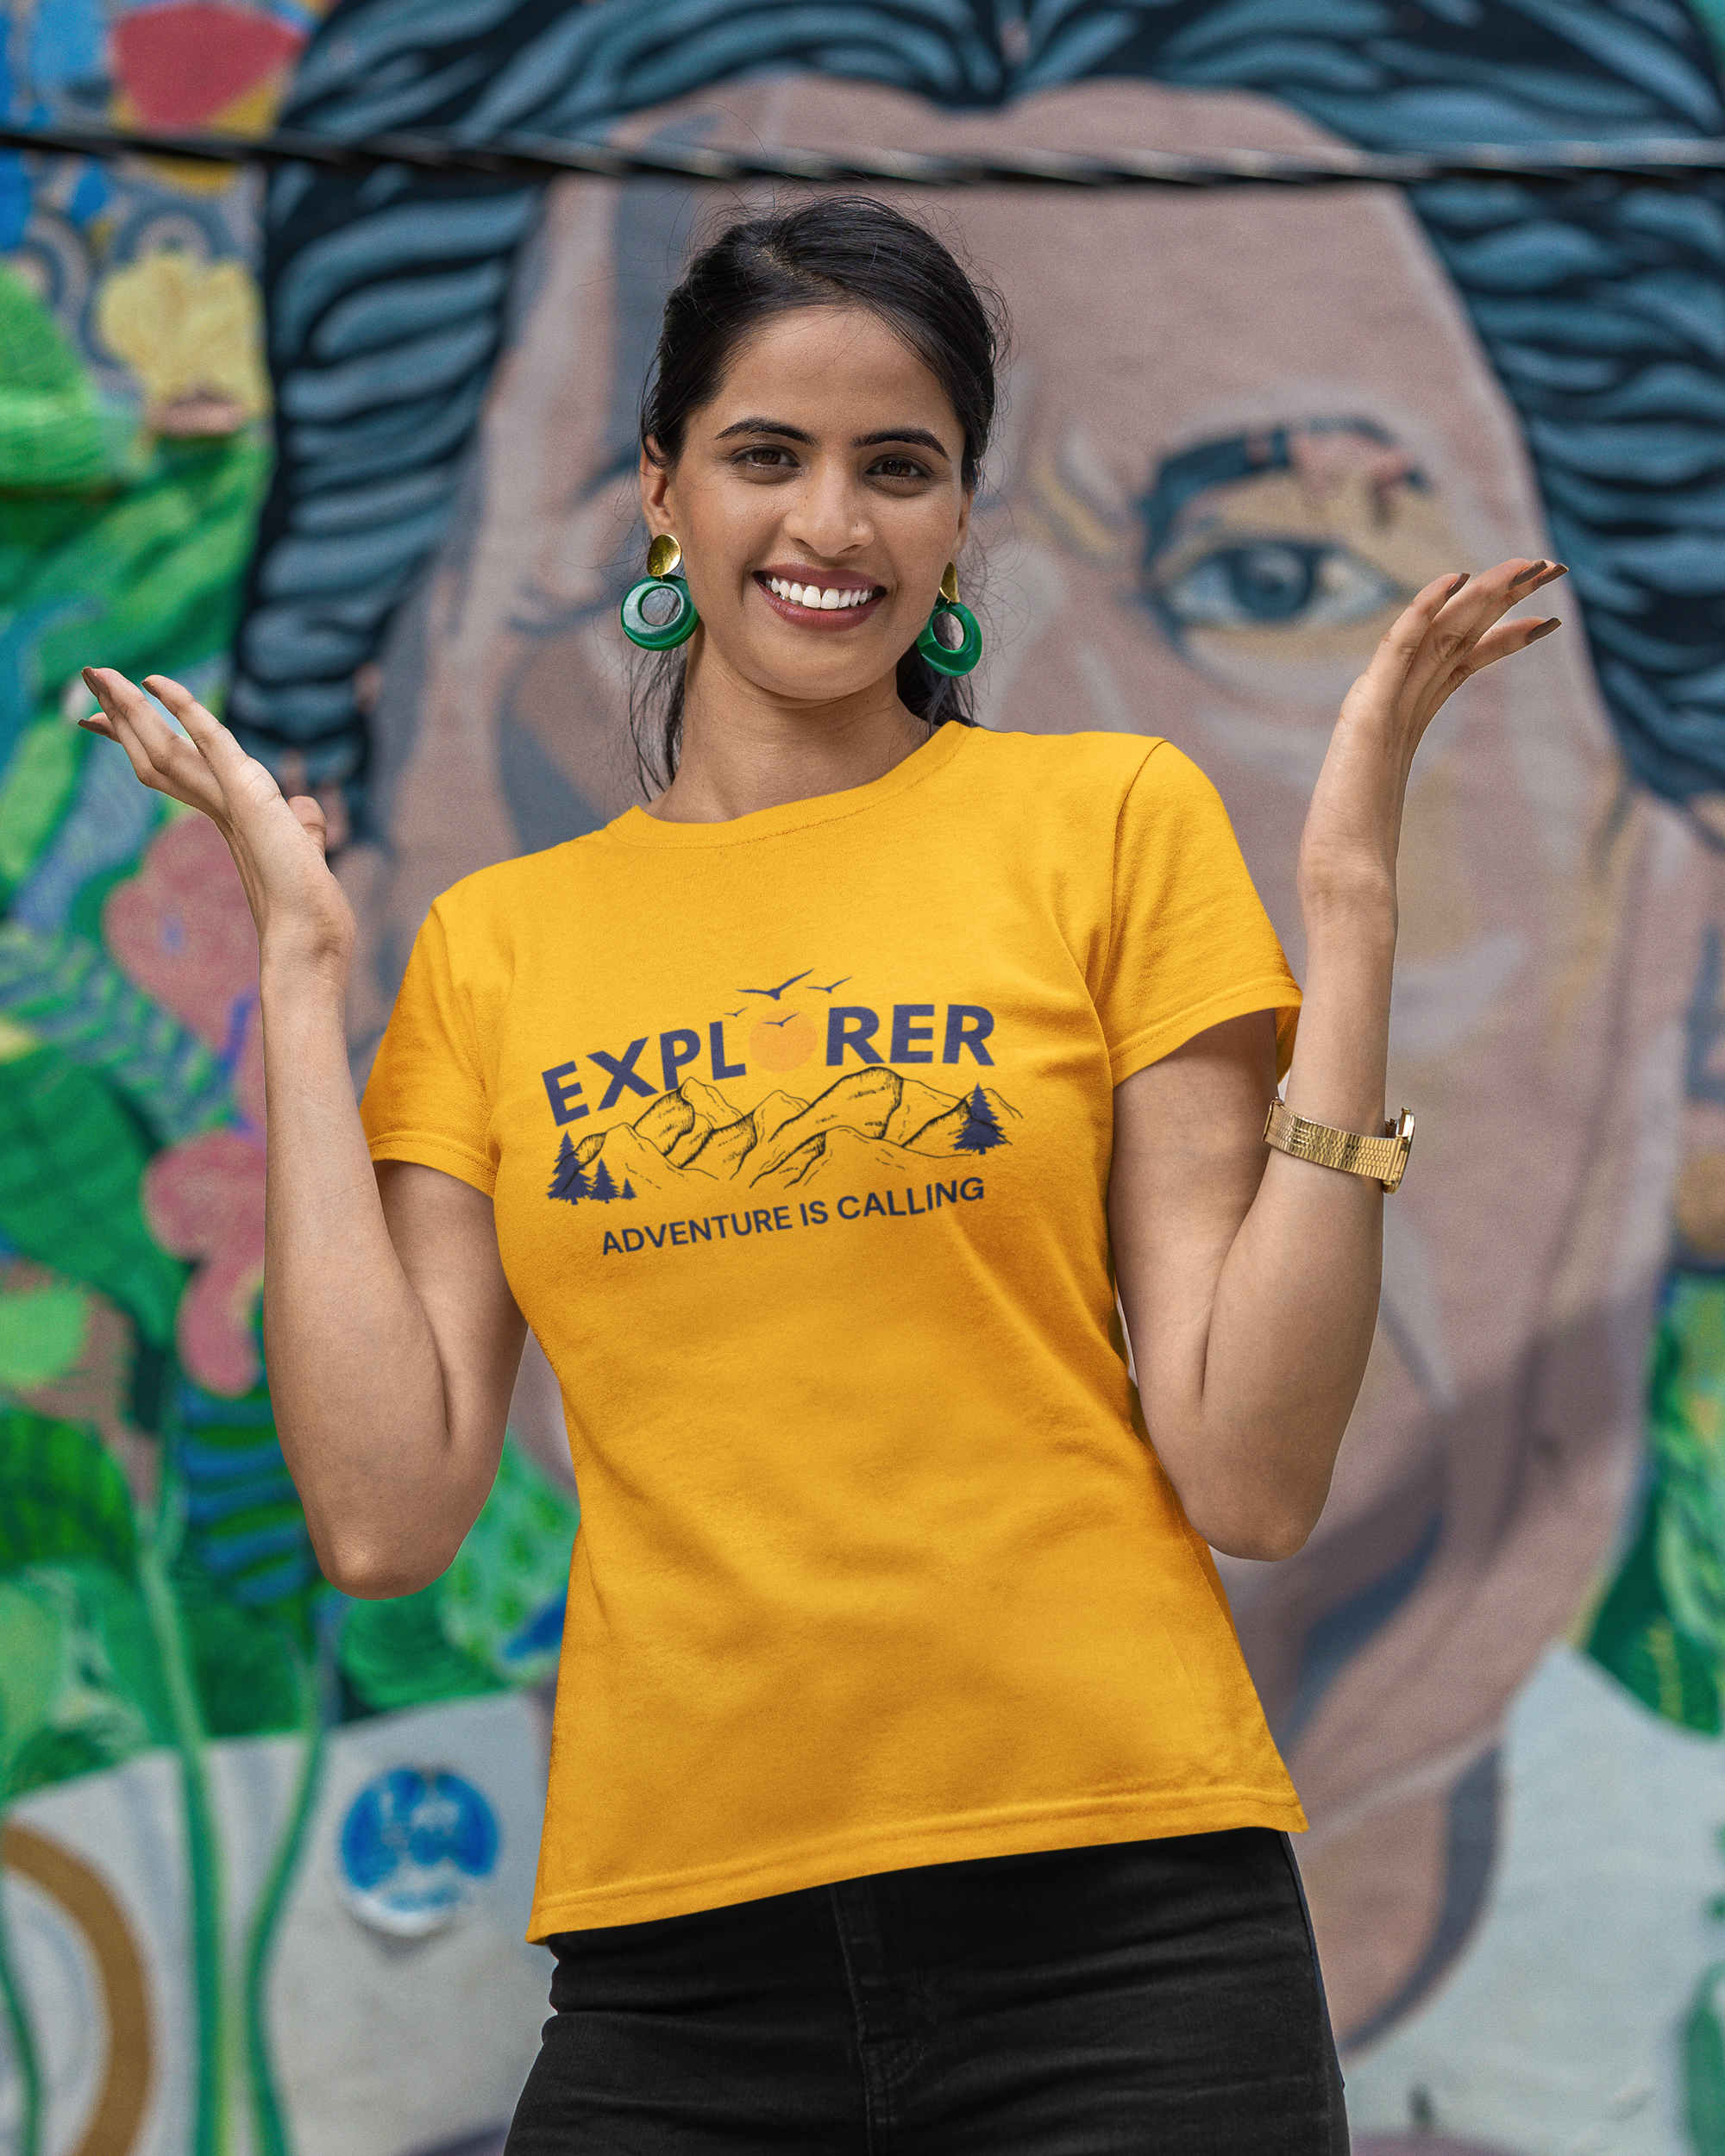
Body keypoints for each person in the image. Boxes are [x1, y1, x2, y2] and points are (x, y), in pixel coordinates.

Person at [78, 197, 1567, 2153]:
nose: (830, 525)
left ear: (961, 518)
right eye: (766, 454)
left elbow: (1253, 1467)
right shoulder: (497, 949)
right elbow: (380, 1511)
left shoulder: (1104, 822)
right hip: (678, 1963)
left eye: (900, 466)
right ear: (658, 490)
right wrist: (294, 976)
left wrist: (1351, 920)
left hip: (1120, 1934)